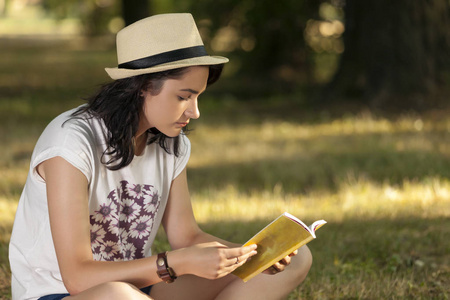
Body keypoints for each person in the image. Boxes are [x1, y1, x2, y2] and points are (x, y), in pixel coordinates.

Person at [9, 13, 312, 300]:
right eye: (183, 96)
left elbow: (187, 237)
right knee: (118, 294)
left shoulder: (169, 142)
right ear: (142, 86)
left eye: (197, 96)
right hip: (66, 293)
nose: (194, 112)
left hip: (141, 288)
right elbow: (77, 277)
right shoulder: (71, 143)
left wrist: (255, 255)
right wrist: (174, 263)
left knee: (297, 262)